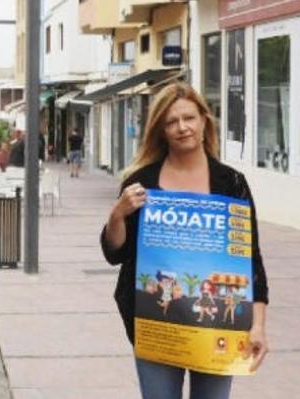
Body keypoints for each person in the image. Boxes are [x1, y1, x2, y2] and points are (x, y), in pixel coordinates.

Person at [100, 82, 269, 399]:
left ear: (205, 121)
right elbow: (115, 253)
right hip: (156, 326)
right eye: (171, 122)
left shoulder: (231, 183)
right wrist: (118, 214)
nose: (182, 128)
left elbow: (252, 261)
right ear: (161, 131)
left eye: (189, 118)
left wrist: (258, 325)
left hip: (217, 328)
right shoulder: (142, 182)